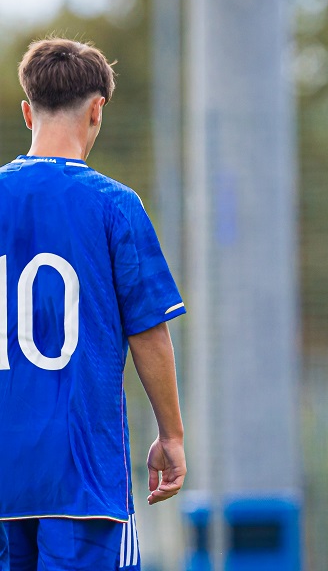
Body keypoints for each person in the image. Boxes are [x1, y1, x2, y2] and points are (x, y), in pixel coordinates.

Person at [0, 38, 186, 570]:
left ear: (26, 110)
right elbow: (149, 331)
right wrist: (170, 435)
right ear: (98, 109)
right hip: (82, 475)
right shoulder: (114, 204)